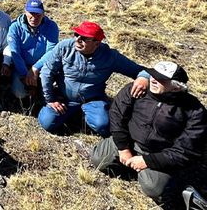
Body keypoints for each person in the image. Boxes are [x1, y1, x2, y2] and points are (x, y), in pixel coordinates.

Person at [91, 61, 207, 205]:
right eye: (152, 75)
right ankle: (132, 166)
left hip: (158, 154)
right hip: (129, 141)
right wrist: (123, 148)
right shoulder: (137, 89)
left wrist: (148, 161)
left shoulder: (195, 111)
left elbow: (186, 151)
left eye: (161, 79)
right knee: (98, 159)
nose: (153, 79)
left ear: (177, 87)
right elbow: (116, 115)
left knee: (154, 188)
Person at [38, 21, 148, 137]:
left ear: (97, 43)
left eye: (84, 38)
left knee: (103, 125)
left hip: (92, 99)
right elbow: (46, 72)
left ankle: (86, 114)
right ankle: (74, 114)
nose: (77, 40)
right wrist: (50, 100)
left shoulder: (110, 56)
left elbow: (142, 71)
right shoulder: (65, 47)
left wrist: (143, 78)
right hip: (64, 97)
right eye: (76, 35)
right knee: (47, 122)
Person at [3, 0, 59, 109]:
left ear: (43, 14)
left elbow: (51, 51)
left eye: (38, 14)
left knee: (49, 89)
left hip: (42, 66)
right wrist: (25, 74)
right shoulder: (15, 27)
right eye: (31, 13)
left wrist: (35, 68)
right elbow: (15, 53)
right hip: (21, 66)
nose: (34, 17)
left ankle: (41, 90)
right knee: (20, 93)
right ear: (25, 12)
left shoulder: (51, 26)